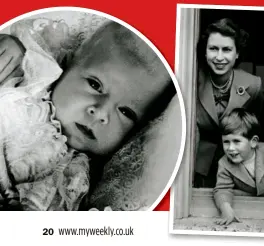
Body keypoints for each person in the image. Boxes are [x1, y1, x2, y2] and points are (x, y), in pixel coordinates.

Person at [0, 20, 174, 210]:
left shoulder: (91, 179)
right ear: (68, 66)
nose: (100, 112)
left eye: (125, 112)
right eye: (95, 85)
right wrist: (11, 48)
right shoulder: (32, 87)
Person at [195, 18, 264, 188]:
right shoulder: (192, 78)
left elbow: (253, 125)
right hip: (195, 165)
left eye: (226, 50)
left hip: (236, 165)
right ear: (205, 52)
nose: (219, 57)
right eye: (213, 49)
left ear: (237, 53)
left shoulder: (254, 84)